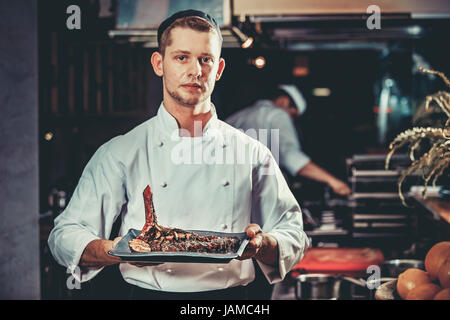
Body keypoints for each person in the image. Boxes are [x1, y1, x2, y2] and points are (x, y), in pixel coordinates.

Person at [48, 9, 309, 300]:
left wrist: (263, 245)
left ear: (219, 69)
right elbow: (64, 237)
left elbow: (294, 234)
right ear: (159, 63)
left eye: (205, 59)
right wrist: (119, 250)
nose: (195, 70)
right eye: (181, 57)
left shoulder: (251, 151)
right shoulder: (122, 151)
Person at [226, 85, 351, 196]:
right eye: (293, 114)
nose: (291, 120)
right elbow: (291, 157)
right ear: (284, 101)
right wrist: (334, 182)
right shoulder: (277, 115)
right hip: (258, 195)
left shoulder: (235, 117)